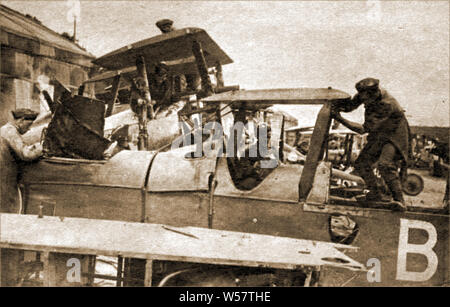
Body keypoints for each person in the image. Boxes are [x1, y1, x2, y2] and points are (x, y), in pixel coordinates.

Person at [332, 78, 410, 210]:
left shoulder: (387, 104)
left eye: (366, 101)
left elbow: (363, 129)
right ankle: (375, 194)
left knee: (385, 164)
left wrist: (339, 118)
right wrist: (335, 103)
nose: (364, 103)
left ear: (374, 94)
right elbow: (350, 106)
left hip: (395, 134)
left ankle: (400, 201)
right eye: (362, 99)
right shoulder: (365, 93)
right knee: (361, 164)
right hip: (380, 133)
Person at [1, 109, 43, 213]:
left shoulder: (5, 130)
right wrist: (42, 147)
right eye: (28, 126)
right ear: (21, 120)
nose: (28, 130)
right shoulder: (10, 132)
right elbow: (26, 154)